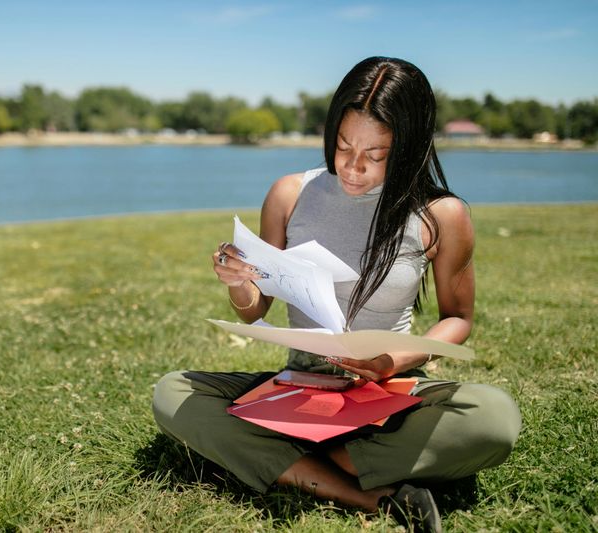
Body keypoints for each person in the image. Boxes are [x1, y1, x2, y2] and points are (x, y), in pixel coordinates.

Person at [152, 56, 521, 532]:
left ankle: (295, 460)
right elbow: (254, 311)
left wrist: (390, 360)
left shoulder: (440, 215)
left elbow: (458, 318)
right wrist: (241, 283)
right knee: (173, 393)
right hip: (300, 384)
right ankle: (366, 494)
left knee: (492, 419)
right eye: (343, 146)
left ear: (410, 146)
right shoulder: (290, 193)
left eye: (377, 153)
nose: (353, 167)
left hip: (390, 388)